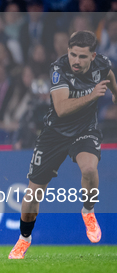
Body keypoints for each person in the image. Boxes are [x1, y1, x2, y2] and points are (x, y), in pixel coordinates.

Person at [9, 31, 117, 259]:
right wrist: (93, 95)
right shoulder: (59, 69)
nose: (76, 61)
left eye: (82, 57)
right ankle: (23, 240)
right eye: (72, 55)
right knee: (32, 196)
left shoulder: (102, 64)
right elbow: (62, 109)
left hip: (85, 130)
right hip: (54, 134)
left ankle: (88, 211)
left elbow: (109, 74)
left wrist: (115, 93)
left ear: (93, 56)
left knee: (89, 169)